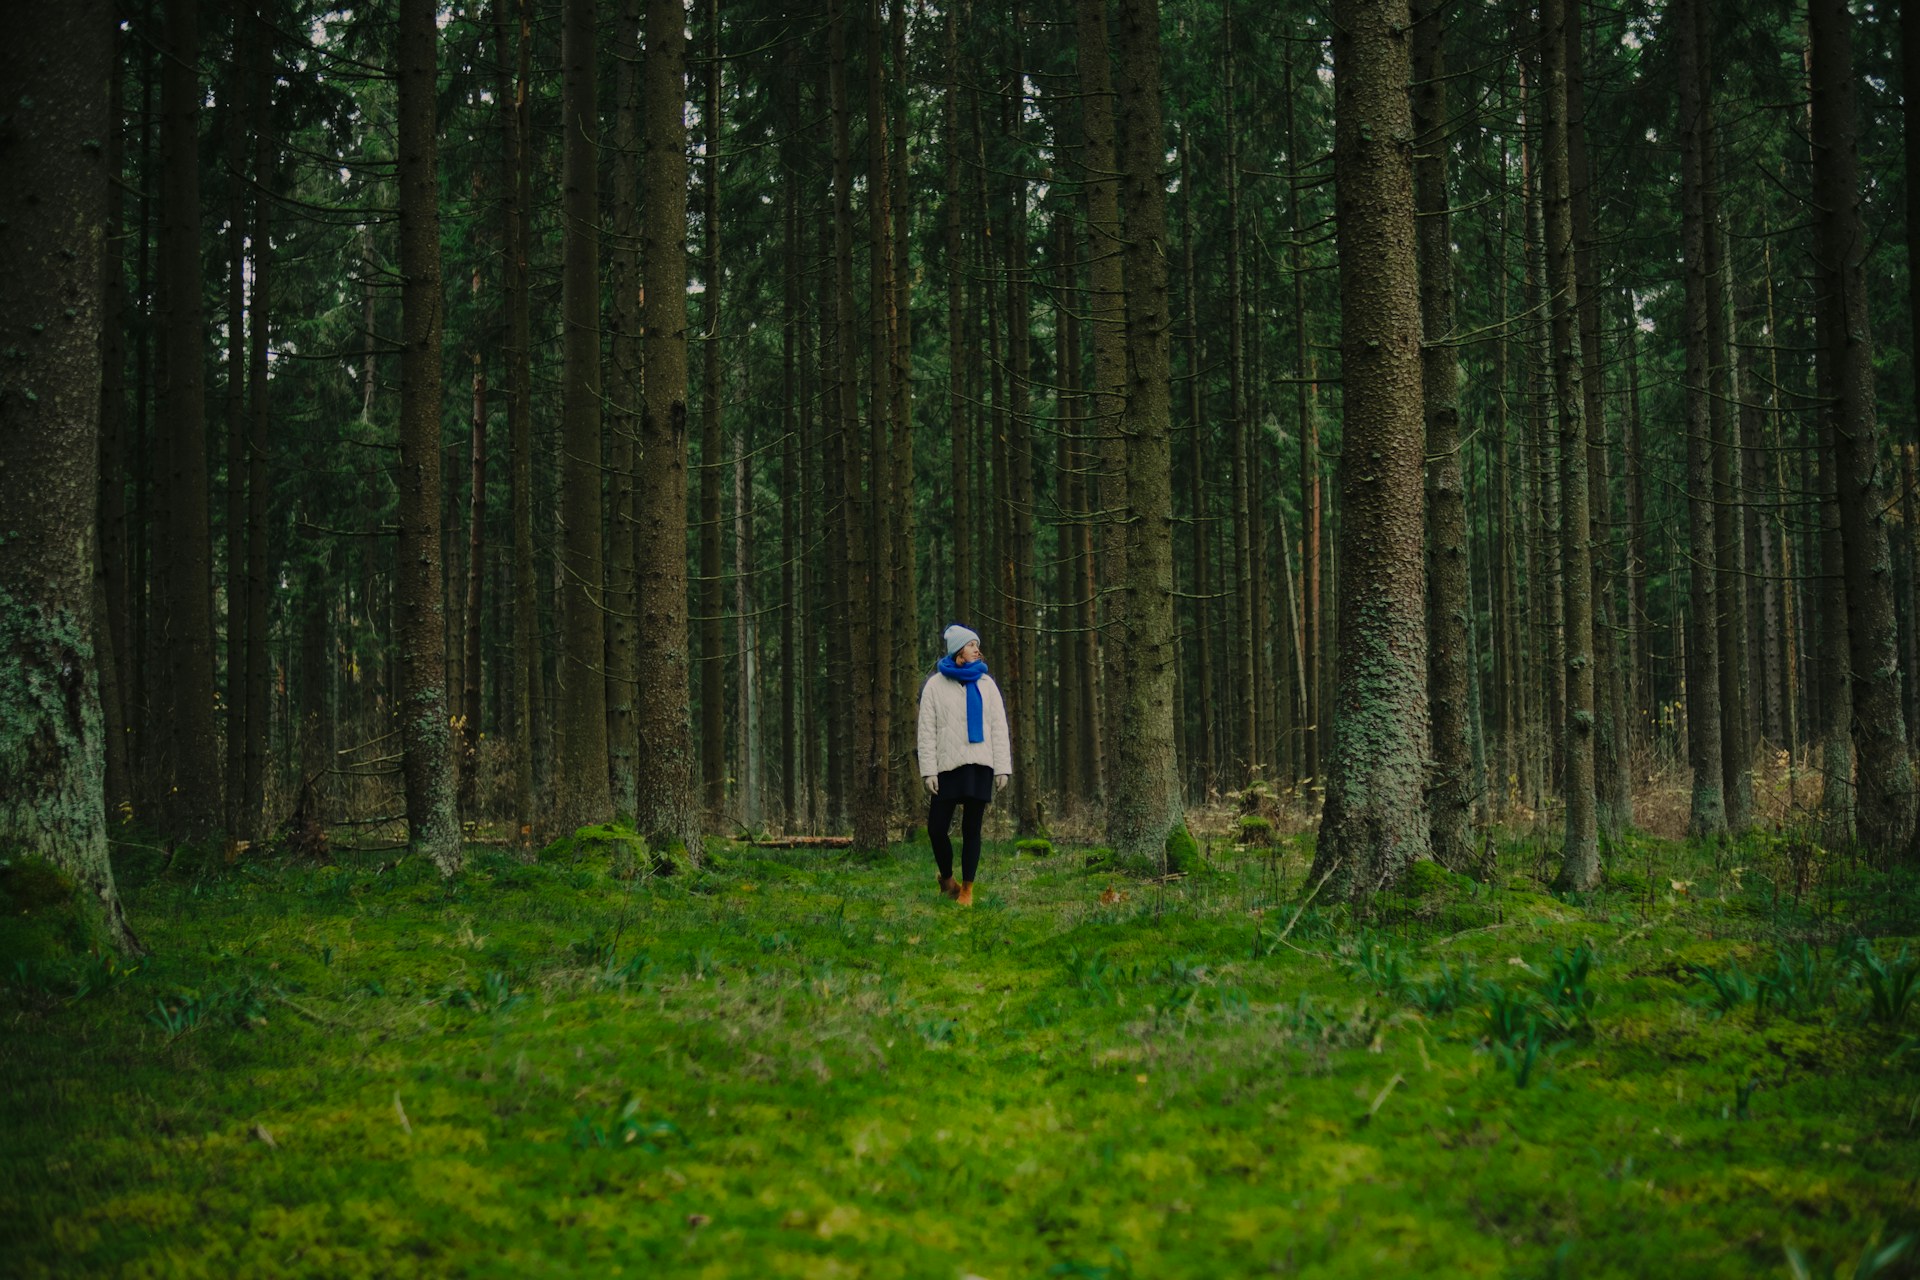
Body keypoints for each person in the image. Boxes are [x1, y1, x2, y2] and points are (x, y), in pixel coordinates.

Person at [916, 623, 1012, 906]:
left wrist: (1002, 767)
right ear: (958, 650)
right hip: (947, 765)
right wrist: (928, 771)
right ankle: (948, 881)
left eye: (977, 645)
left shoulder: (986, 684)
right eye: (971, 645)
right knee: (936, 828)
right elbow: (926, 731)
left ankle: (967, 890)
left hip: (980, 764)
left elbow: (998, 727)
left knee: (972, 829)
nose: (977, 649)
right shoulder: (935, 685)